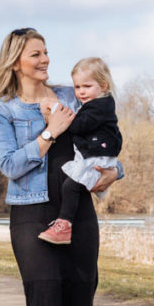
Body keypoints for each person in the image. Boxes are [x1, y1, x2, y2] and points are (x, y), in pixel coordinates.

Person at [0, 28, 120, 306]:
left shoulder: (70, 95)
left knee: (80, 302)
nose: (45, 60)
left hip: (76, 209)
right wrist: (50, 133)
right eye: (36, 54)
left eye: (46, 53)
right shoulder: (2, 109)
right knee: (43, 299)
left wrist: (114, 172)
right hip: (30, 212)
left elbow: (108, 139)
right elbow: (9, 166)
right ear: (16, 61)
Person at [38, 57, 123, 245]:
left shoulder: (100, 106)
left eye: (87, 86)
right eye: (77, 87)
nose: (81, 92)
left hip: (97, 155)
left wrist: (55, 111)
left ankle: (64, 225)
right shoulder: (96, 104)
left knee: (70, 186)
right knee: (72, 184)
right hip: (95, 153)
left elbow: (78, 126)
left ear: (103, 85)